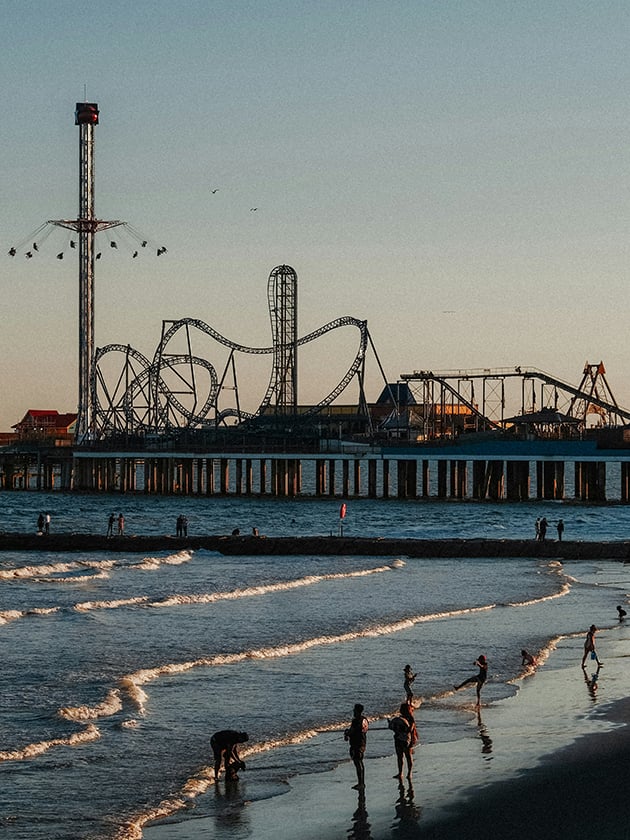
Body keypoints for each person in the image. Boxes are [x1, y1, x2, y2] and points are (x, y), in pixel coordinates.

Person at [388, 702, 417, 780]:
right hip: (398, 738)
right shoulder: (400, 718)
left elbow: (409, 729)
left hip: (407, 739)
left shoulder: (410, 719)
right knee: (400, 756)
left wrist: (399, 728)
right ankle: (400, 773)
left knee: (408, 756)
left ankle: (409, 773)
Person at [344, 703, 368, 790]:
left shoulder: (356, 720)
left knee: (357, 763)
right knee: (360, 763)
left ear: (357, 711)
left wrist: (346, 733)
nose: (353, 711)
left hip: (356, 744)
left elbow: (351, 731)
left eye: (354, 710)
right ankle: (362, 783)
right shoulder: (365, 720)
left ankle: (360, 783)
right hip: (363, 743)